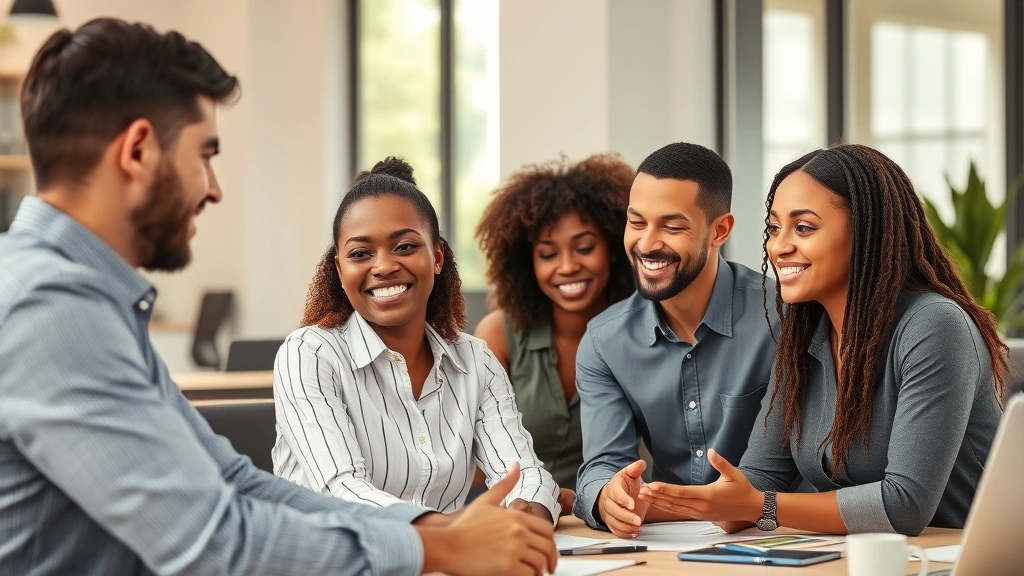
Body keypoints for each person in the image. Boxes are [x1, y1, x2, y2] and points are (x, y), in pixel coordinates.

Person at [0, 19, 557, 576]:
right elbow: (213, 543)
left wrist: (442, 530)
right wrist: (439, 547)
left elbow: (235, 483)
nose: (213, 188)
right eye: (205, 155)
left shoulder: (82, 300)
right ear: (139, 150)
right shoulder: (49, 307)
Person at [637, 144, 1006, 536]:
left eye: (804, 227)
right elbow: (759, 480)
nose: (778, 247)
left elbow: (904, 505)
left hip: (955, 560)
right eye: (774, 228)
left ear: (867, 231)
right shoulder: (803, 339)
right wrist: (633, 501)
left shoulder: (934, 326)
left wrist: (759, 506)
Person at [272, 156, 564, 524]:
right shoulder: (309, 355)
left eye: (405, 246)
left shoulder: (475, 361)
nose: (384, 266)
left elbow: (525, 475)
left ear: (438, 255)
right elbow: (342, 491)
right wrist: (458, 531)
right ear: (340, 270)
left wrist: (529, 513)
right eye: (360, 254)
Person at [572, 142, 779, 538]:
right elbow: (601, 465)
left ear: (719, 231)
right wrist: (608, 497)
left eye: (672, 226)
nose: (648, 243)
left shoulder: (782, 320)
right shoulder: (604, 342)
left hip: (779, 538)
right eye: (636, 222)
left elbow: (773, 478)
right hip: (667, 546)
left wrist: (674, 508)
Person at [474, 154, 635, 493]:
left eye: (585, 248)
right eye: (548, 254)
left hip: (620, 519)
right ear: (526, 262)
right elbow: (477, 459)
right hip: (522, 516)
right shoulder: (498, 335)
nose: (567, 266)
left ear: (614, 248)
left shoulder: (646, 330)